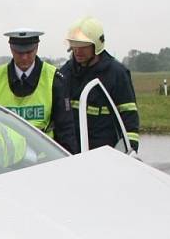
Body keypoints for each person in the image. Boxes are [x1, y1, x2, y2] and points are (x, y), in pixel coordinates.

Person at [0, 30, 76, 153]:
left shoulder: (54, 79)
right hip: (8, 160)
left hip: (45, 159)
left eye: (29, 52)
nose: (24, 57)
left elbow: (66, 129)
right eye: (19, 52)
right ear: (11, 48)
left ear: (37, 47)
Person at [59, 17, 140, 152]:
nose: (78, 51)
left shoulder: (117, 74)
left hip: (105, 154)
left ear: (97, 45)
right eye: (75, 46)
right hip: (71, 153)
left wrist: (130, 150)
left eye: (83, 46)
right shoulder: (65, 73)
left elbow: (129, 116)